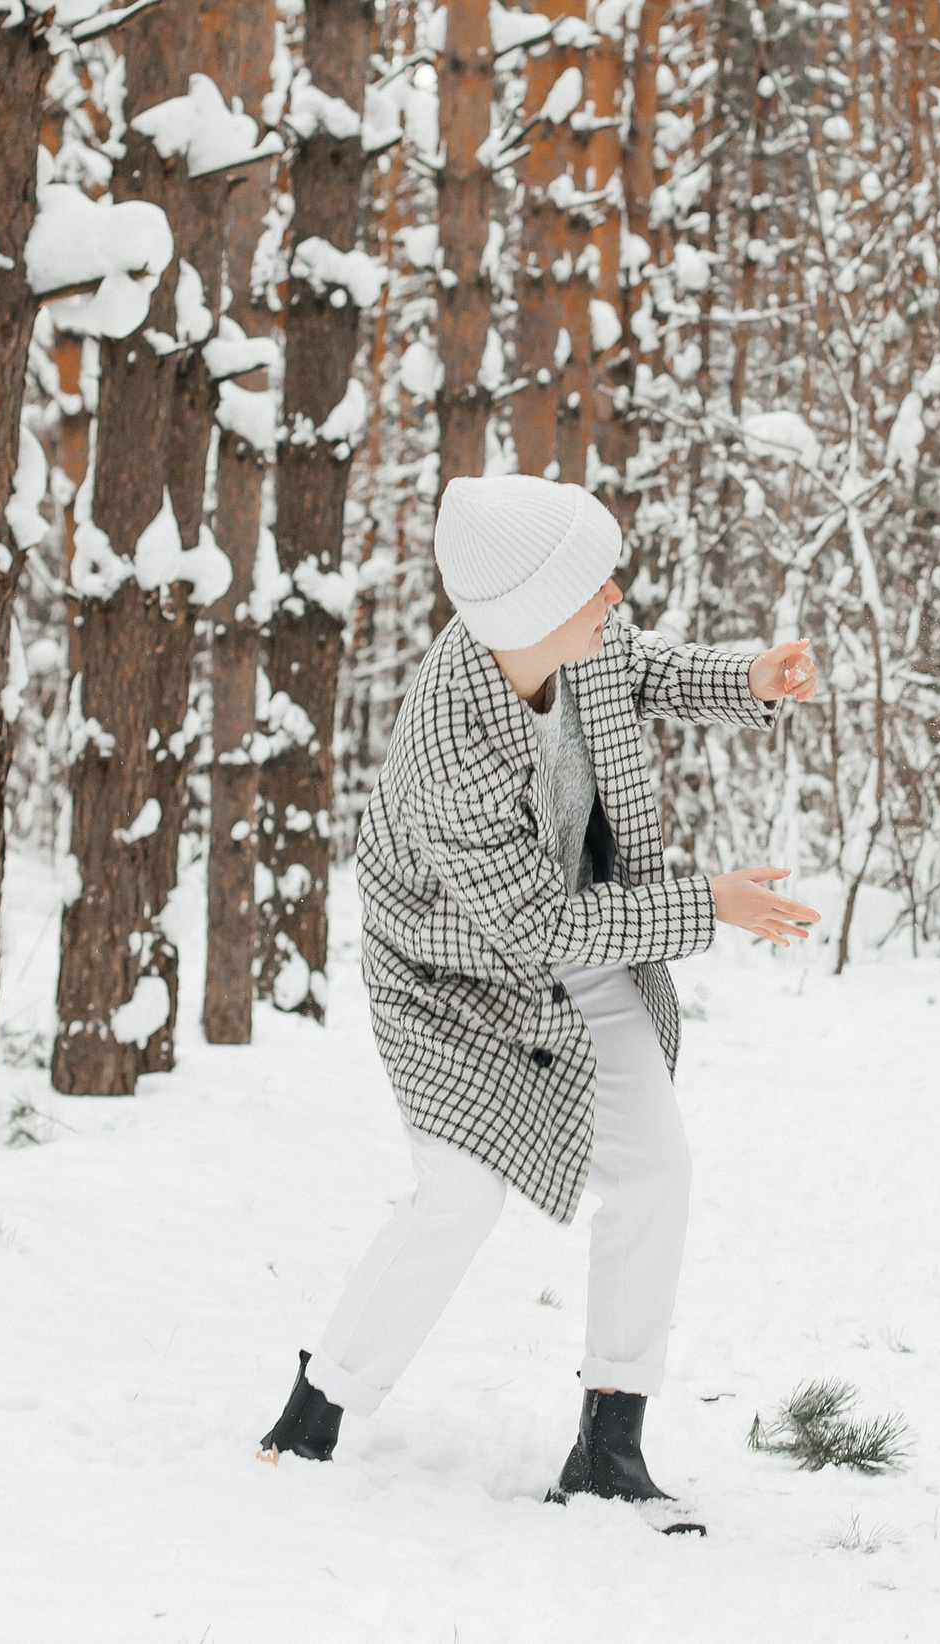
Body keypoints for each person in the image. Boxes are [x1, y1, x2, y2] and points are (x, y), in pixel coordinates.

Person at [257, 474, 821, 1535]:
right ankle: (316, 1410)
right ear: (530, 609)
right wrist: (710, 905)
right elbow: (533, 930)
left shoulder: (568, 637)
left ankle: (609, 1451)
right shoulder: (451, 748)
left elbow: (642, 665)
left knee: (655, 1170)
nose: (614, 595)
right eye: (593, 584)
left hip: (579, 927)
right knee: (460, 1193)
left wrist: (748, 676)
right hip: (452, 979)